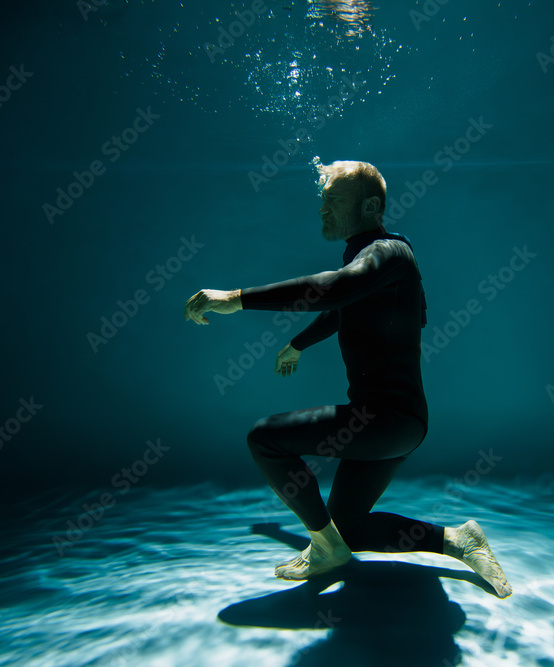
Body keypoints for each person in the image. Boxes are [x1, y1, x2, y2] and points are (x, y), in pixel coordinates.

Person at [184, 159, 512, 597]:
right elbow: (342, 309)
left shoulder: (389, 253)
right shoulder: (372, 264)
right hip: (392, 422)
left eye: (334, 201)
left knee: (265, 439)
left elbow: (337, 289)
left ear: (371, 205)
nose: (323, 210)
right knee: (350, 528)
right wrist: (297, 345)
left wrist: (236, 298)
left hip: (387, 420)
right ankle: (456, 540)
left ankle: (326, 550)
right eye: (322, 202)